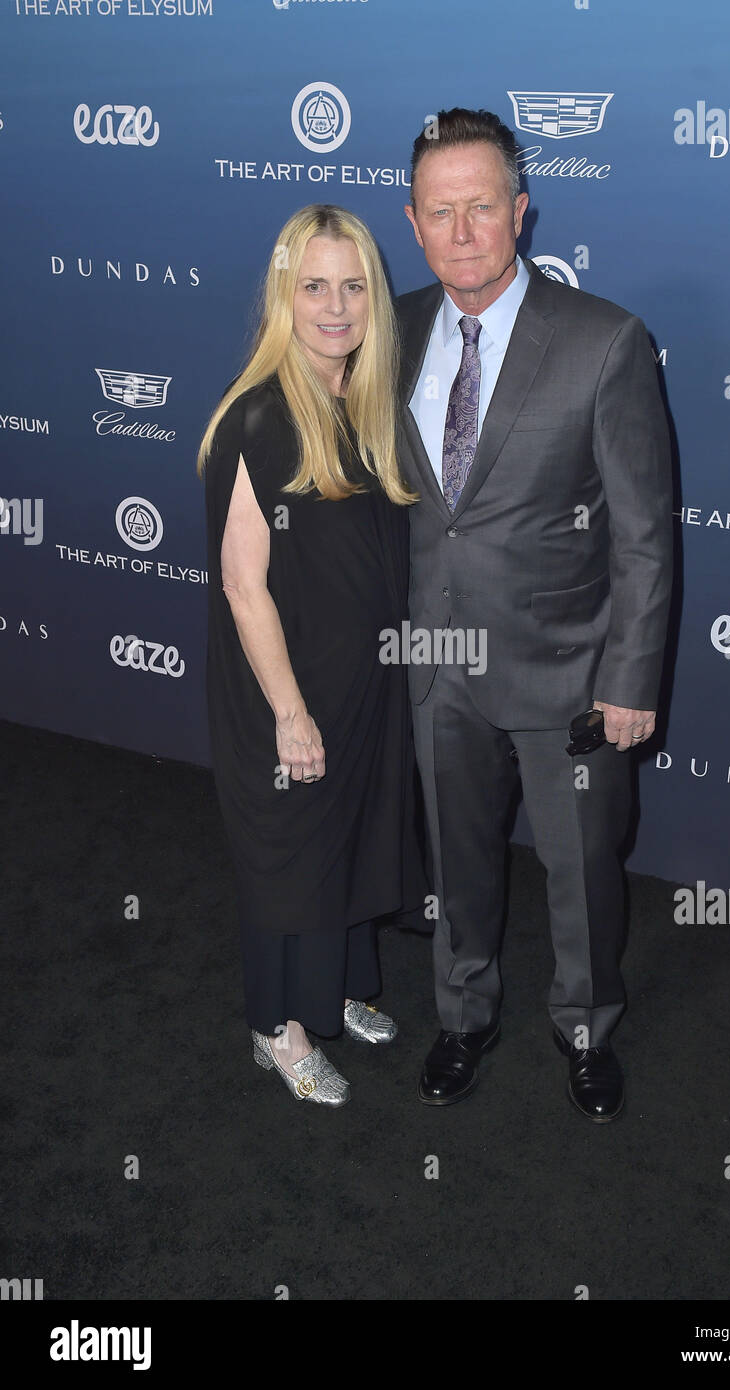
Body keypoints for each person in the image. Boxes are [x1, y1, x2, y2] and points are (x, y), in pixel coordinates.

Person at [395, 108, 673, 1121]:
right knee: (455, 866)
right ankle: (461, 1016)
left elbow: (643, 534)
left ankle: (587, 1025)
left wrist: (628, 682)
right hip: (436, 667)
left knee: (582, 873)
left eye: (481, 207)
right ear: (414, 221)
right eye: (440, 211)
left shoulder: (603, 341)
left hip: (570, 675)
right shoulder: (390, 328)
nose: (461, 231)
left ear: (520, 211)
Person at [198, 204, 425, 1107]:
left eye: (354, 285)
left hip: (363, 679)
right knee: (291, 858)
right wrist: (290, 711)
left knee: (349, 838)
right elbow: (244, 585)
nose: (336, 306)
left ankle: (329, 992)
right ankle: (279, 1033)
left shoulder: (364, 407)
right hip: (286, 689)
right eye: (314, 287)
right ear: (284, 299)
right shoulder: (258, 418)